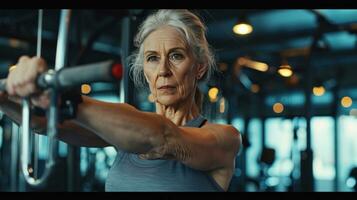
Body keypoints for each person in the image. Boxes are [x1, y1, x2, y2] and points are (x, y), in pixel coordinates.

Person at [0, 9, 241, 192]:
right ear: (144, 69)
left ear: (199, 68)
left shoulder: (224, 139)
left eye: (176, 56)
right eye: (153, 58)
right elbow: (41, 122)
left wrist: (59, 98)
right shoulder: (126, 132)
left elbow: (162, 138)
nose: (163, 70)